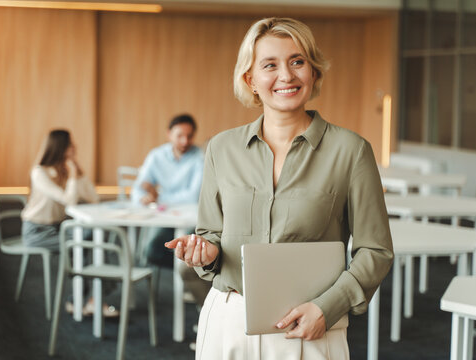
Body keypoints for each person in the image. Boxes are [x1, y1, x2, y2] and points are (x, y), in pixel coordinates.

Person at [166, 17, 394, 359]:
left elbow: (375, 251)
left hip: (310, 328)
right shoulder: (221, 149)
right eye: (270, 65)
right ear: (251, 80)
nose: (286, 76)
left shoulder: (351, 151)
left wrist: (327, 308)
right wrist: (204, 252)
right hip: (229, 323)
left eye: (297, 62)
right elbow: (211, 234)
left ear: (313, 72)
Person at [21, 129, 118, 317]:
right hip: (37, 232)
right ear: (60, 147)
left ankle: (88, 300)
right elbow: (69, 200)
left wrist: (78, 173)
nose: (75, 148)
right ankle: (88, 300)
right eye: (70, 144)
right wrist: (73, 175)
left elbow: (93, 198)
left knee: (92, 239)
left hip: (59, 228)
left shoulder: (65, 170)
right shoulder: (39, 173)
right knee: (86, 243)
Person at [131, 114, 211, 309]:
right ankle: (189, 281)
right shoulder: (156, 155)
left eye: (190, 136)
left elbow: (192, 196)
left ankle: (192, 280)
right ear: (169, 134)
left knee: (182, 251)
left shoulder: (199, 157)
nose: (185, 141)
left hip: (190, 219)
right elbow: (139, 187)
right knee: (151, 251)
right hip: (163, 216)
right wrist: (144, 197)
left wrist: (159, 196)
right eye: (180, 135)